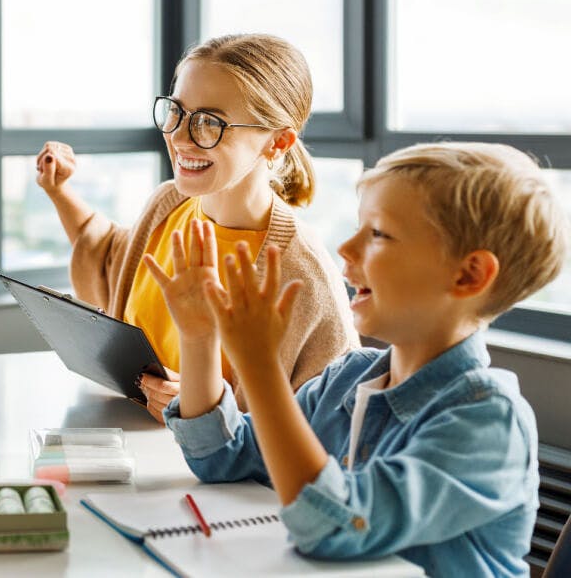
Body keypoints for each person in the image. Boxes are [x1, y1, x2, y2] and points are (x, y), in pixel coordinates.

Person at [151, 142, 566, 576]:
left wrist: (260, 368)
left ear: (468, 274)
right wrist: (200, 338)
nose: (345, 249)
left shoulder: (488, 422)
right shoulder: (345, 379)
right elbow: (220, 456)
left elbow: (334, 527)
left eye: (378, 234)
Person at [35, 33, 356, 419]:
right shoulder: (168, 205)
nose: (180, 137)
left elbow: (329, 426)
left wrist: (206, 410)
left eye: (209, 122)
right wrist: (59, 191)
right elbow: (109, 258)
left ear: (278, 142)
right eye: (177, 112)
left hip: (214, 480)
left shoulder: (303, 278)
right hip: (130, 454)